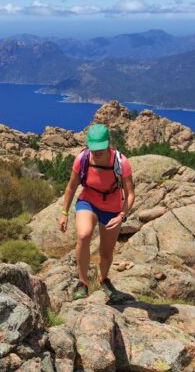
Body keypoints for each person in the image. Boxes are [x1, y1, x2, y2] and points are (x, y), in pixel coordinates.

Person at [58, 124, 135, 303]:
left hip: (113, 208)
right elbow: (71, 186)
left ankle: (104, 280)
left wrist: (122, 215)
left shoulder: (121, 162)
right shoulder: (82, 159)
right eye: (94, 148)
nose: (97, 152)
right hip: (88, 201)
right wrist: (64, 212)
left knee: (106, 252)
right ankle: (83, 283)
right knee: (84, 235)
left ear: (108, 144)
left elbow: (130, 194)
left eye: (100, 148)